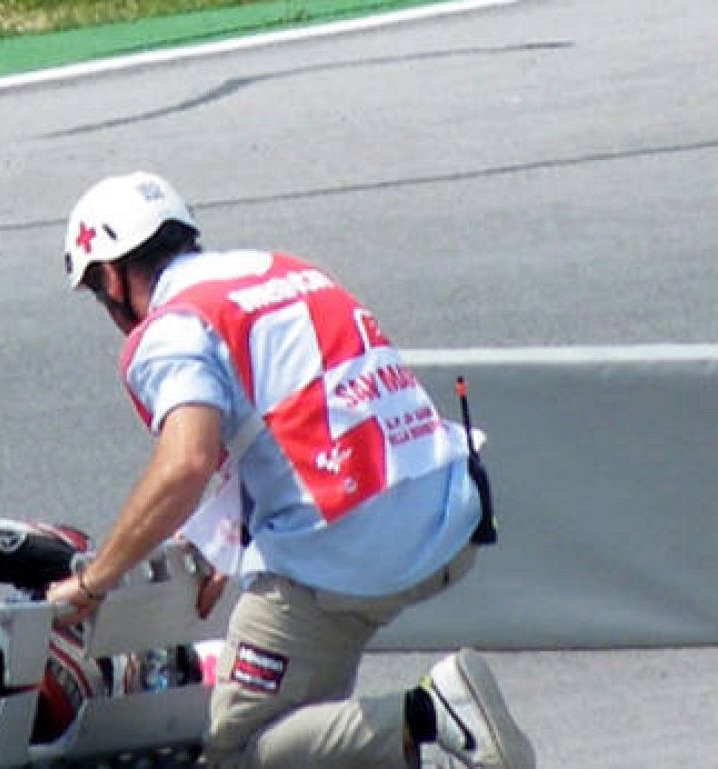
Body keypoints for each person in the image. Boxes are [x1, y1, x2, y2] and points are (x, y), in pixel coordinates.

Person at [42, 171, 535, 769]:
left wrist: (95, 581)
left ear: (113, 276)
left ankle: (432, 716)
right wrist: (229, 540)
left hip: (344, 549)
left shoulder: (173, 327)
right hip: (447, 507)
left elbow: (187, 463)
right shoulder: (285, 269)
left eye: (98, 292)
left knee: (241, 751)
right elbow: (283, 416)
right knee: (312, 739)